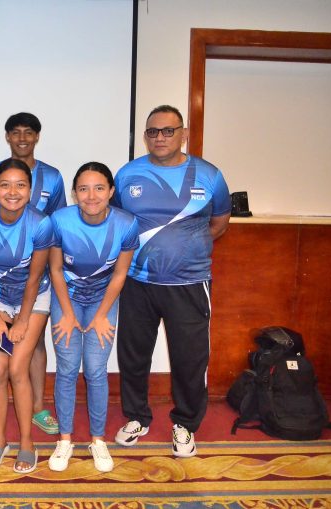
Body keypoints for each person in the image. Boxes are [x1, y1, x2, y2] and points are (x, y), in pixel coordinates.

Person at [112, 105, 230, 458]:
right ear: (145, 135)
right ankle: (137, 417)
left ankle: (185, 424)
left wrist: (183, 250)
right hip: (137, 282)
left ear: (183, 133)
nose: (160, 137)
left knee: (190, 358)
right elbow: (119, 222)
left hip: (189, 283)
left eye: (167, 131)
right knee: (133, 355)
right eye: (152, 132)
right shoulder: (128, 174)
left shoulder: (209, 175)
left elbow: (220, 223)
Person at [0, 112, 66, 435]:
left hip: (35, 276)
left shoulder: (53, 177)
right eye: (16, 133)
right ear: (7, 137)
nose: (23, 138)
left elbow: (56, 226)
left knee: (35, 341)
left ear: (37, 137)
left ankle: (38, 407)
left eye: (29, 133)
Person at [47, 162, 139, 473]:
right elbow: (56, 269)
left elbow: (120, 274)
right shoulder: (59, 220)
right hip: (67, 298)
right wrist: (68, 314)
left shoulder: (127, 224)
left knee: (97, 369)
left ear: (111, 191)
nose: (91, 195)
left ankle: (98, 440)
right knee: (68, 368)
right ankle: (65, 439)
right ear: (74, 193)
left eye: (99, 188)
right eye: (83, 189)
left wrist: (102, 315)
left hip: (104, 300)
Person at [0, 158, 54, 474]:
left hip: (33, 298)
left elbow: (34, 277)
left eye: (20, 185)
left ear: (30, 190)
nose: (13, 191)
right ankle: (1, 440)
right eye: (5, 184)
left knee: (18, 367)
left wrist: (20, 320)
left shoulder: (41, 223)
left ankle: (27, 443)